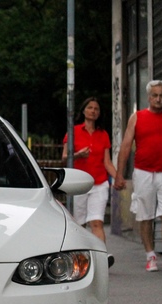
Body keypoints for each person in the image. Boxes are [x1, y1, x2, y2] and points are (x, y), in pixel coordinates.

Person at [113, 80, 162, 272]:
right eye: (155, 96)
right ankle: (150, 255)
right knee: (146, 216)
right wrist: (119, 175)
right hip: (144, 172)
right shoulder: (137, 118)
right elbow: (126, 146)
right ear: (149, 97)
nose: (159, 99)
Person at [63, 97, 117, 268]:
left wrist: (118, 177)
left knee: (97, 222)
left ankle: (102, 256)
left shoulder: (103, 134)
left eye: (97, 109)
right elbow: (65, 158)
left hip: (99, 182)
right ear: (84, 110)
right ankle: (81, 259)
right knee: (80, 223)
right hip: (79, 184)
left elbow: (107, 162)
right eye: (90, 108)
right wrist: (78, 155)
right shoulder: (73, 132)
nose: (93, 111)